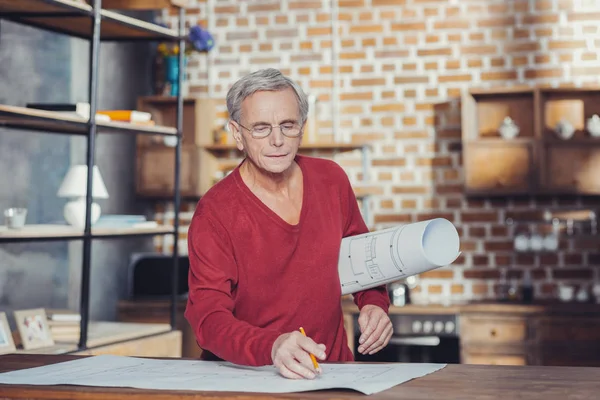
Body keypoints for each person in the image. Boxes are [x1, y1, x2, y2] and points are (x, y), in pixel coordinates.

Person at [185, 68, 393, 380]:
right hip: (252, 377)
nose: (278, 140)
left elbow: (362, 257)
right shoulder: (215, 212)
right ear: (237, 134)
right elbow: (208, 319)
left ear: (302, 128)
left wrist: (374, 304)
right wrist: (272, 346)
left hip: (333, 374)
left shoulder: (331, 180)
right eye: (260, 128)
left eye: (288, 125)